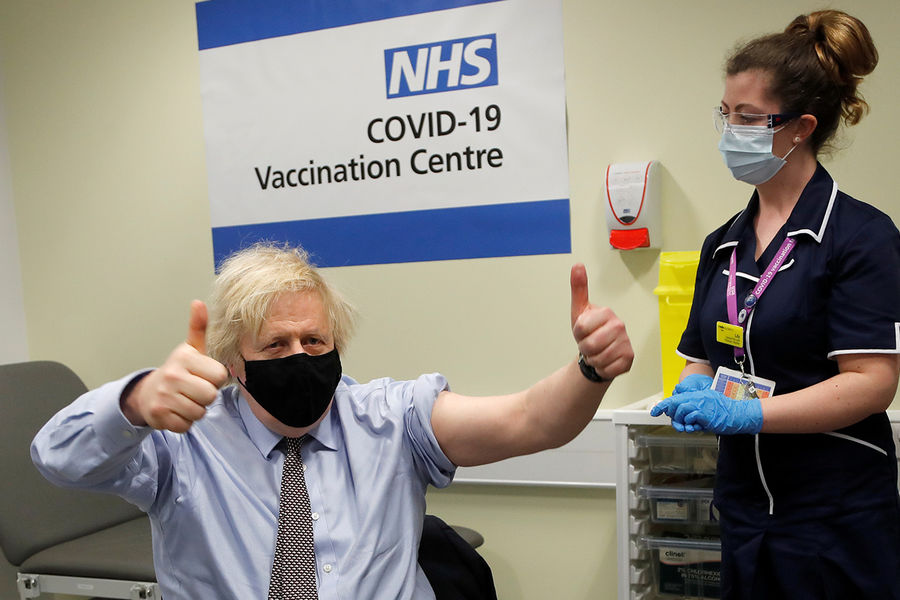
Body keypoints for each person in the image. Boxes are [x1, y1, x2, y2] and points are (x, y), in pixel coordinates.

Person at [31, 242, 633, 600]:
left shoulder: (389, 419)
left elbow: (530, 420)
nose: (300, 356)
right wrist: (135, 401)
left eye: (315, 340)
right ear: (233, 363)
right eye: (276, 344)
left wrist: (590, 370)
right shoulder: (185, 438)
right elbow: (57, 457)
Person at [650, 9, 900, 600]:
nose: (729, 132)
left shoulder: (859, 236)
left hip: (834, 518)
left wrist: (751, 415)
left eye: (747, 118)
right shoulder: (722, 244)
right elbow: (700, 356)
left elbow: (871, 383)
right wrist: (693, 387)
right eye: (725, 114)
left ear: (799, 128)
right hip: (743, 510)